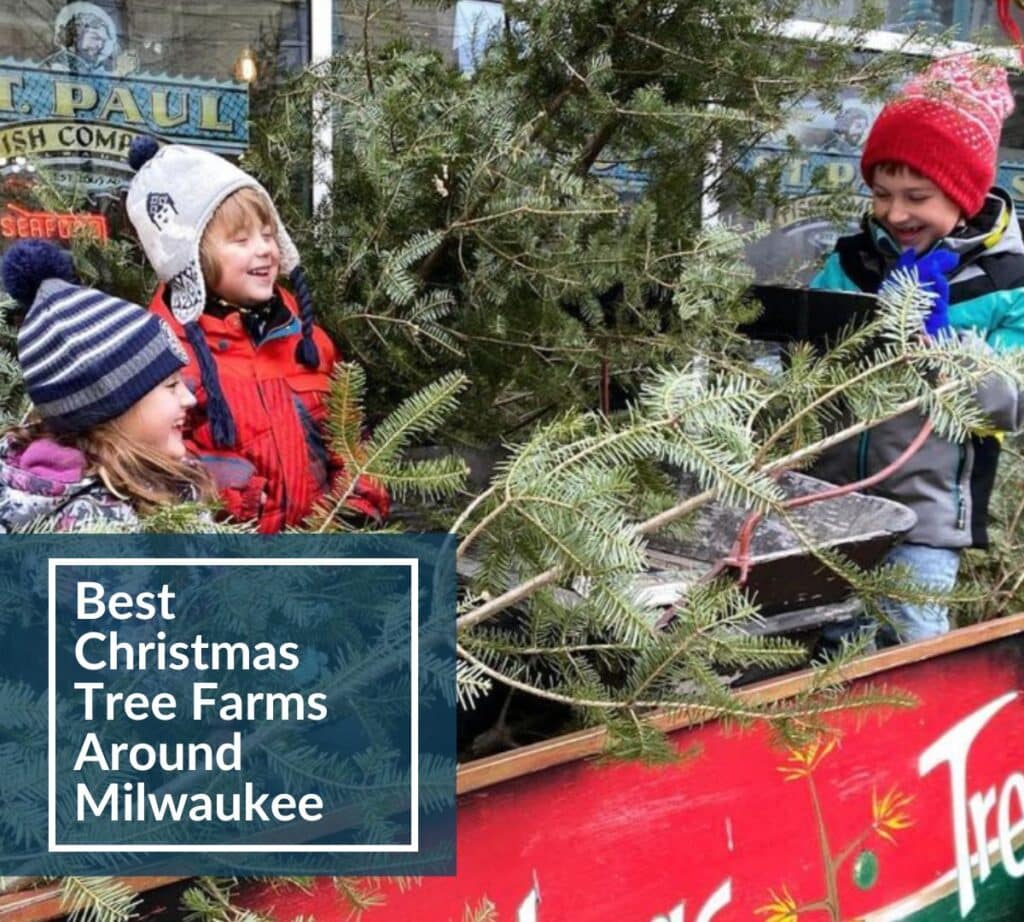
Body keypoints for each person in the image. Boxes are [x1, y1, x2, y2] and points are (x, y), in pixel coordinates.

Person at [810, 55, 1024, 647]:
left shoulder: (1009, 279)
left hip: (924, 525)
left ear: (964, 193)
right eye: (882, 194)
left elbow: (1010, 403)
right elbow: (809, 364)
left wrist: (941, 345)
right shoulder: (853, 261)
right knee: (811, 658)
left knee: (906, 653)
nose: (895, 213)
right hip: (826, 511)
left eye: (917, 196)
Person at [124, 138, 389, 533]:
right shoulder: (166, 356)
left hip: (323, 555)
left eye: (268, 234)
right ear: (192, 257)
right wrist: (235, 502)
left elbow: (351, 440)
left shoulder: (307, 342)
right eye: (242, 240)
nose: (265, 249)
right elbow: (155, 466)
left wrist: (355, 510)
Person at [0, 240, 212, 532]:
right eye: (171, 385)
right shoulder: (94, 529)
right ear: (110, 408)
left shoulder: (153, 477)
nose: (190, 398)